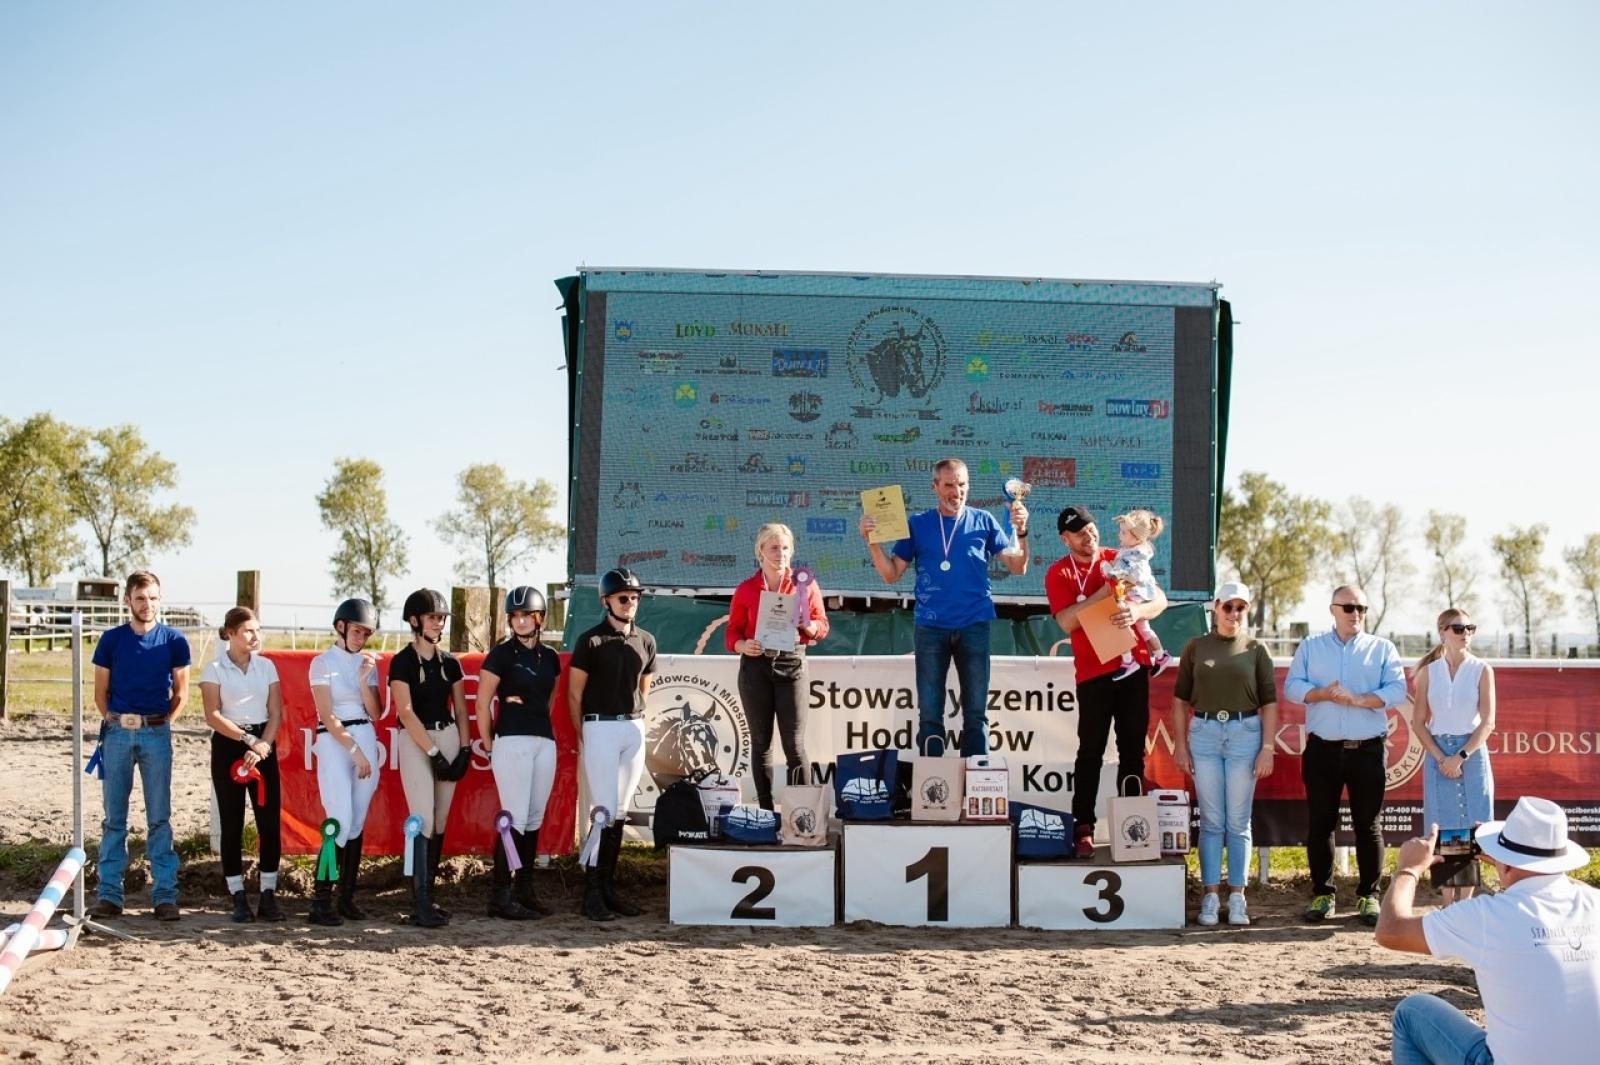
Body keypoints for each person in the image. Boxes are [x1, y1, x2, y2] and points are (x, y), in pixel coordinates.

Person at [1376, 797, 1600, 1064]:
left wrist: (1408, 869)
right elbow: (1556, 882)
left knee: (1412, 1012)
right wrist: (1513, 862)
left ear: (1506, 862)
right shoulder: (1593, 903)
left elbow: (1390, 931)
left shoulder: (1487, 916)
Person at [858, 458, 1028, 757]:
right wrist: (872, 542)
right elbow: (891, 574)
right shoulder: (917, 524)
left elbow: (1017, 567)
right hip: (931, 628)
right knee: (929, 714)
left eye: (962, 484)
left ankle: (975, 781)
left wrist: (1022, 533)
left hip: (974, 624)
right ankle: (933, 782)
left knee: (976, 714)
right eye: (949, 485)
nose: (956, 491)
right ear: (934, 487)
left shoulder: (984, 521)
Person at [1046, 505, 1167, 858]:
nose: (1089, 536)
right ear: (1065, 539)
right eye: (1080, 533)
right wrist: (1105, 592)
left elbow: (1159, 598)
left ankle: (1132, 828)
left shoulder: (1121, 556)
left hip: (1132, 667)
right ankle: (1083, 826)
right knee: (1090, 751)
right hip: (1093, 672)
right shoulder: (1059, 572)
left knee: (1132, 751)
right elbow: (1067, 621)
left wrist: (1136, 611)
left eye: (1092, 529)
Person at [1285, 584, 1407, 926]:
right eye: (1349, 607)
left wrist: (1359, 699)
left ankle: (1369, 896)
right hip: (1322, 748)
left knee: (1368, 825)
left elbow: (1397, 690)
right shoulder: (1311, 647)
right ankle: (1323, 894)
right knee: (1321, 824)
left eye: (1361, 608)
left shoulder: (1382, 648)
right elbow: (1292, 687)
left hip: (1368, 749)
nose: (1356, 614)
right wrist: (1322, 694)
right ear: (1333, 610)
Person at [1170, 582, 1278, 926]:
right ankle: (1210, 896)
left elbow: (1270, 703)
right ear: (1215, 607)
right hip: (1203, 734)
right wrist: (1181, 745)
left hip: (1245, 734)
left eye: (1240, 607)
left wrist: (1267, 748)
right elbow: (1179, 700)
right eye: (1228, 606)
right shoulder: (1195, 647)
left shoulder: (1256, 649)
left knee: (1238, 821)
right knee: (1212, 821)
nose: (1234, 613)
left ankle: (1237, 897)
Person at [89, 570, 192, 920]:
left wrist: (161, 724)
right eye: (141, 598)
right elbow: (100, 692)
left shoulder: (174, 641)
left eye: (153, 598)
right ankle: (109, 895)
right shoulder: (111, 640)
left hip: (156, 734)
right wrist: (116, 721)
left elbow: (181, 692)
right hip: (118, 733)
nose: (148, 604)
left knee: (159, 816)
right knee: (114, 818)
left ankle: (164, 896)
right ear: (128, 600)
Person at [567, 567, 656, 921]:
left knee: (619, 811)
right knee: (601, 811)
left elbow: (644, 688)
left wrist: (635, 720)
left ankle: (608, 888)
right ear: (606, 601)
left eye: (634, 597)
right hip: (599, 727)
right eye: (623, 598)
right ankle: (590, 892)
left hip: (632, 728)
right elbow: (574, 695)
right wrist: (585, 734)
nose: (630, 602)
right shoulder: (590, 641)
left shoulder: (646, 640)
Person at [725, 522, 829, 810]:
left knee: (794, 744)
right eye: (773, 548)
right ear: (760, 551)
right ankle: (766, 812)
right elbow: (731, 634)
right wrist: (743, 646)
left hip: (792, 664)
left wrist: (808, 626)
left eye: (785, 547)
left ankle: (804, 813)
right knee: (760, 744)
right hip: (755, 667)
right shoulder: (746, 589)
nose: (780, 553)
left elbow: (822, 626)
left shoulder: (804, 584)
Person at [476, 585, 563, 921]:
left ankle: (525, 890)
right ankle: (500, 895)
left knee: (534, 818)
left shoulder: (551, 657)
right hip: (511, 740)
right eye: (515, 615)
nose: (521, 620)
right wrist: (489, 744)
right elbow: (482, 704)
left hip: (544, 741)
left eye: (527, 614)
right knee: (514, 818)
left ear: (540, 618)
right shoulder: (500, 655)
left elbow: (549, 700)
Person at [390, 588, 471, 928]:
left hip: (447, 735)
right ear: (414, 620)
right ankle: (419, 902)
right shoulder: (402, 662)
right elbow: (405, 712)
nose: (438, 623)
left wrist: (464, 749)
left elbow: (461, 710)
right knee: (421, 818)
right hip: (416, 739)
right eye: (432, 617)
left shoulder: (450, 663)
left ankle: (430, 896)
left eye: (441, 618)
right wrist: (433, 753)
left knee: (439, 820)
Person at [200, 607, 284, 922]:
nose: (254, 636)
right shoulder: (214, 669)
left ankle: (268, 893)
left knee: (269, 823)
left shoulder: (267, 667)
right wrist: (247, 740)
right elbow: (213, 715)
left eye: (257, 630)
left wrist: (263, 745)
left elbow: (275, 712)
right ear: (230, 633)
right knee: (232, 823)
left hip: (263, 744)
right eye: (248, 630)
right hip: (229, 743)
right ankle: (237, 894)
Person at [1412, 608, 1496, 904]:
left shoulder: (1482, 670)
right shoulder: (1428, 673)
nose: (1465, 634)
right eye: (1459, 628)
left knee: (1473, 827)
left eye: (1470, 628)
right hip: (1437, 754)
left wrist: (1460, 756)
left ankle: (1467, 905)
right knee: (1444, 827)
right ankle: (1448, 905)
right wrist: (1440, 758)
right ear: (1442, 632)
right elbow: (1418, 723)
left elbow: (1488, 722)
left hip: (1471, 754)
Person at [307, 597, 382, 927]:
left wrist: (365, 681)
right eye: (356, 631)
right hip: (335, 740)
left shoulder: (367, 663)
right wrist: (355, 751)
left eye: (365, 633)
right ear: (341, 627)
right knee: (338, 820)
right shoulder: (322, 663)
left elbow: (376, 712)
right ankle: (320, 900)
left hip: (364, 732)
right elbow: (326, 714)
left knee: (356, 822)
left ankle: (346, 898)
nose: (360, 638)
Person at [1101, 509, 1174, 680]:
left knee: (1117, 621)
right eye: (1120, 531)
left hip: (1135, 597)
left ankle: (1128, 660)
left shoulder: (1135, 556)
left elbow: (1127, 575)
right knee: (1144, 629)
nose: (1119, 535)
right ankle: (1161, 655)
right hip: (1136, 596)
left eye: (1124, 532)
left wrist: (1109, 570)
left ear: (1137, 538)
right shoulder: (1131, 552)